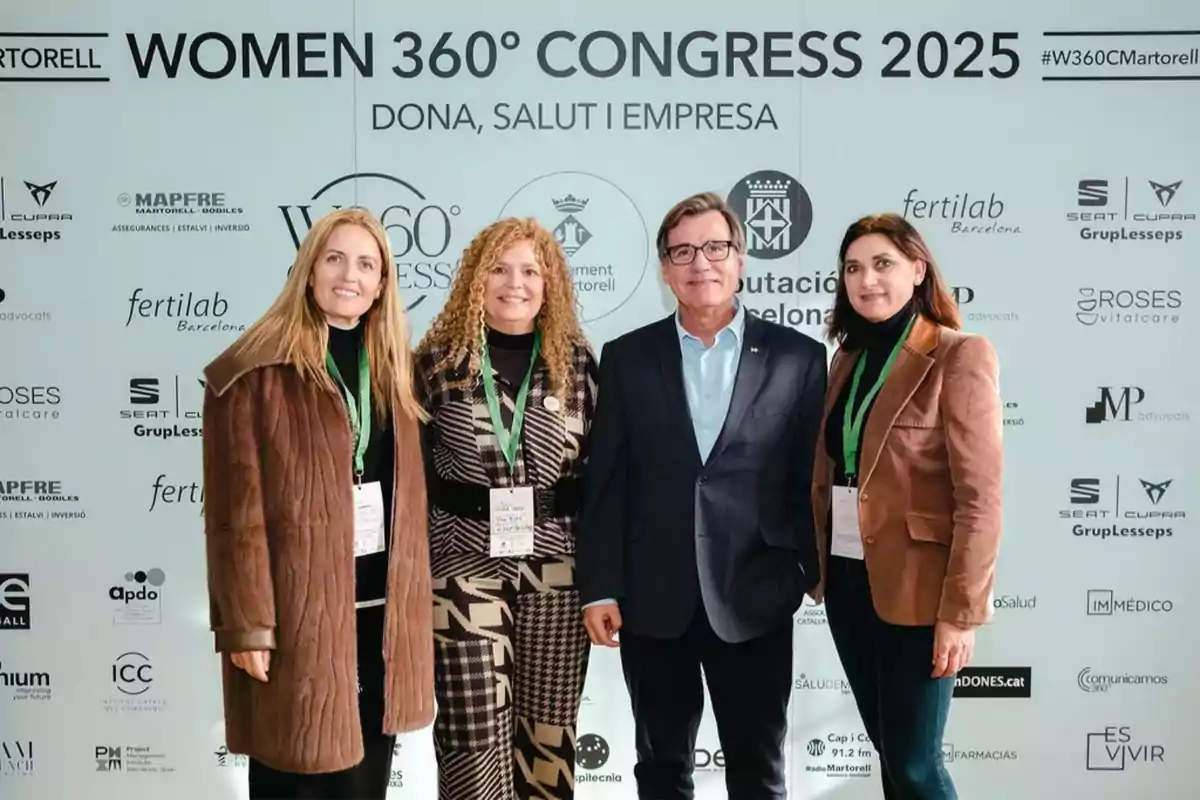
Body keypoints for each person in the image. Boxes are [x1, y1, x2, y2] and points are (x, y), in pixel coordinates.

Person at [577, 192, 828, 799]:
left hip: (756, 594)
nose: (701, 263)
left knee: (759, 769)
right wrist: (601, 587)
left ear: (739, 259)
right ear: (665, 269)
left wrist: (803, 569)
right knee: (661, 769)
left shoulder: (799, 358)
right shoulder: (627, 358)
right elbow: (607, 483)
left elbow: (809, 481)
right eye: (683, 251)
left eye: (715, 248)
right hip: (652, 599)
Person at [201, 207, 434, 800]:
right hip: (298, 620)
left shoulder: (397, 374)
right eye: (334, 259)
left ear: (382, 283)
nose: (348, 276)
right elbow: (236, 520)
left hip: (380, 617)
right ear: (308, 272)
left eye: (365, 263)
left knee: (364, 784)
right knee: (293, 778)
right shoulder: (253, 373)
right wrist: (248, 627)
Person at [809, 213, 1003, 799]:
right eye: (852, 268)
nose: (867, 280)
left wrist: (961, 614)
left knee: (918, 767)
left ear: (918, 270)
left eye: (883, 264)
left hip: (920, 591)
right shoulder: (847, 359)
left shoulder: (959, 356)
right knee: (892, 758)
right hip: (848, 581)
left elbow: (981, 498)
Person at [414, 217, 597, 800]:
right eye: (498, 268)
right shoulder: (437, 364)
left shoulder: (579, 365)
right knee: (473, 735)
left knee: (549, 734)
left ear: (551, 285)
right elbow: (410, 476)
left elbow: (604, 476)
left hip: (559, 570)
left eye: (530, 271)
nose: (514, 284)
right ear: (475, 280)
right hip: (462, 565)